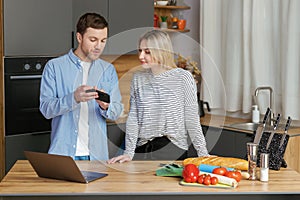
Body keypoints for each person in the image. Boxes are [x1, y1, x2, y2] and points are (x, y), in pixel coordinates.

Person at [108, 30, 209, 164]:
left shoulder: (183, 77)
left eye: (147, 52)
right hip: (142, 149)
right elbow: (134, 117)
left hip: (173, 150)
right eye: (140, 50)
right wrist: (129, 152)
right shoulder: (138, 78)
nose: (141, 56)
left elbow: (191, 118)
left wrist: (202, 153)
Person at [40, 13, 123, 161]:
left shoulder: (108, 70)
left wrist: (106, 106)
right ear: (79, 38)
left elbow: (116, 111)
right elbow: (46, 109)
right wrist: (73, 98)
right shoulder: (54, 67)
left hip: (97, 156)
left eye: (103, 40)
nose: (99, 46)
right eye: (93, 40)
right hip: (63, 155)